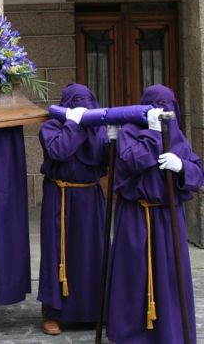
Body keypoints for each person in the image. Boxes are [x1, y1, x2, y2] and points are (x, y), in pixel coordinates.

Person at [106, 85, 202, 344]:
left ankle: (170, 334)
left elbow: (197, 173)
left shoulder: (178, 136)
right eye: (157, 104)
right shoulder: (129, 132)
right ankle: (130, 335)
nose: (164, 109)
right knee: (132, 274)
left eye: (168, 104)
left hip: (168, 218)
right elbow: (130, 161)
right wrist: (154, 135)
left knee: (170, 277)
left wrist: (182, 166)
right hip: (136, 215)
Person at [37, 84, 109, 335]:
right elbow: (59, 150)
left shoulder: (99, 129)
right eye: (76, 102)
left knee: (93, 252)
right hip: (61, 195)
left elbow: (105, 161)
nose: (82, 106)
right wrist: (75, 124)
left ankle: (95, 311)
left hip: (91, 196)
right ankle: (53, 313)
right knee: (58, 252)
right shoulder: (50, 127)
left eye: (86, 101)